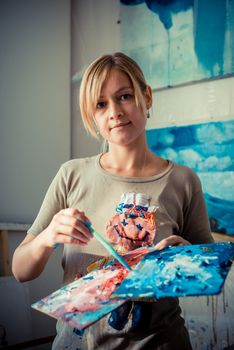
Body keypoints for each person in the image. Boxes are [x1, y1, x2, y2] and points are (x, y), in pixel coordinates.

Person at [12, 52, 214, 350]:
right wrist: (48, 236)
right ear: (91, 115)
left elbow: (208, 268)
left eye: (125, 96)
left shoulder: (183, 180)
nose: (115, 112)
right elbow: (20, 270)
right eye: (100, 104)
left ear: (147, 97)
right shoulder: (72, 174)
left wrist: (183, 259)